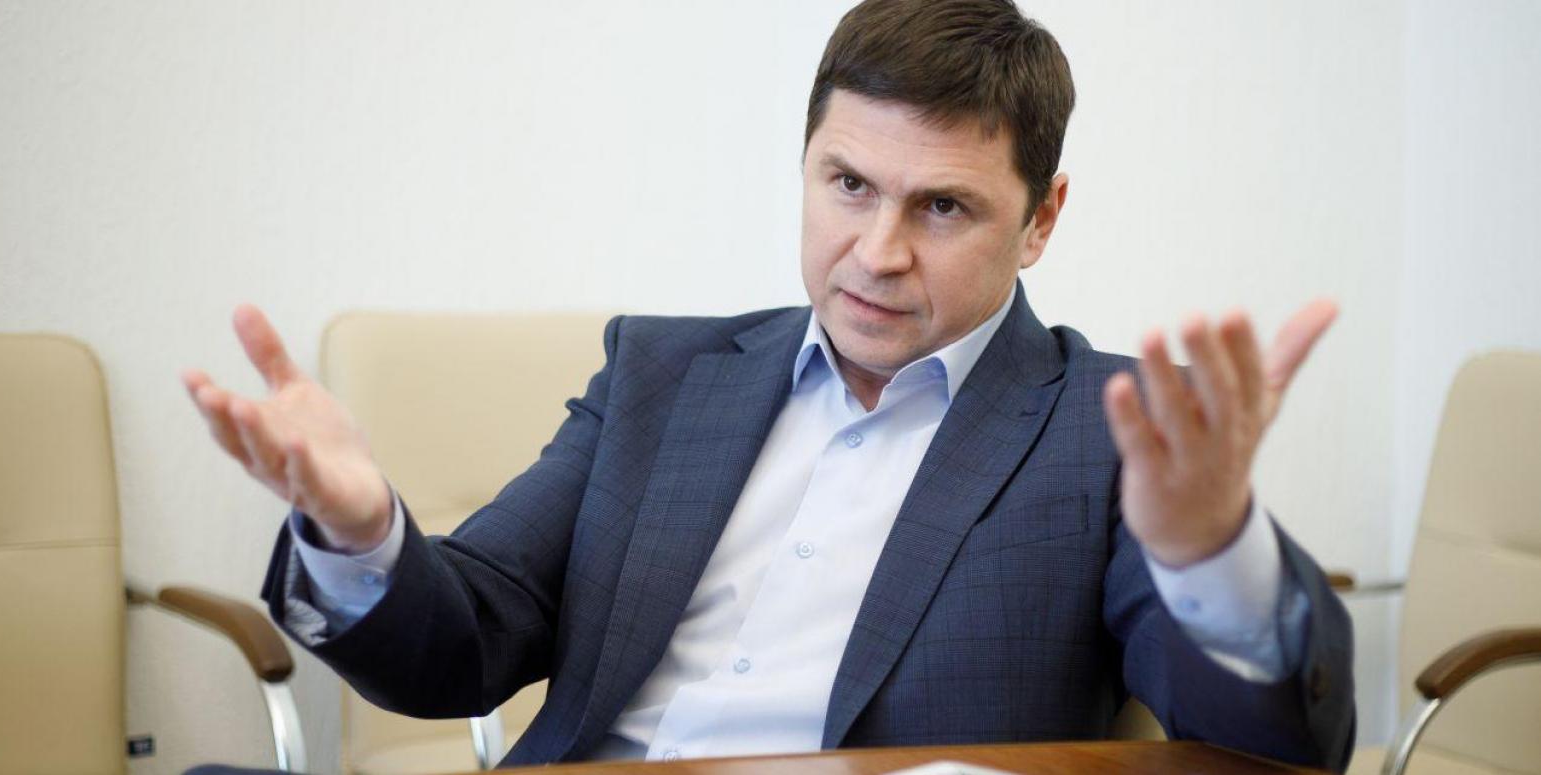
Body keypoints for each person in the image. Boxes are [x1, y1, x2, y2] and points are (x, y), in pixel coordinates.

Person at [184, 0, 1354, 770]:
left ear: (1040, 219)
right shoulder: (659, 375)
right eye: (848, 185)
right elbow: (460, 647)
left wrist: (1212, 554)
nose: (877, 252)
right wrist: (360, 530)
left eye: (942, 207)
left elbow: (1268, 747)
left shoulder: (1112, 429)